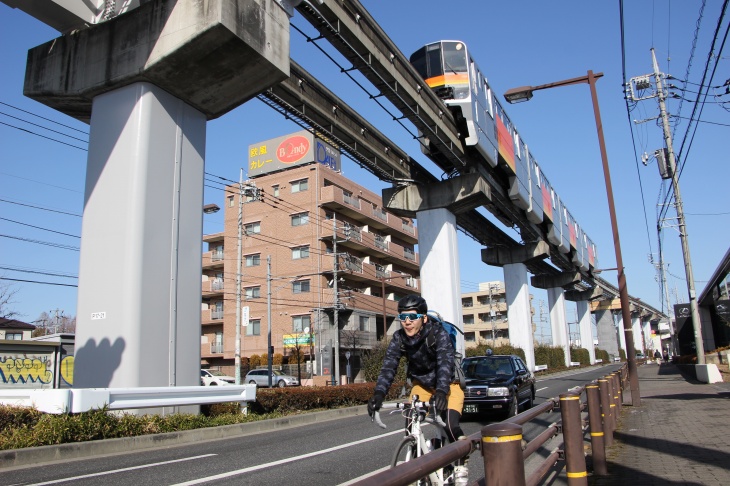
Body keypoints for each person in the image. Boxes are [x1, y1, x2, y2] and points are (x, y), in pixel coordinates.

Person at [367, 294, 468, 484]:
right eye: (402, 318)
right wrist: (379, 394)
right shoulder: (399, 338)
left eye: (412, 317)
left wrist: (441, 391)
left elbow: (445, 363)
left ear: (423, 317)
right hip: (421, 385)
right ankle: (418, 462)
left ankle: (461, 459)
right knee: (410, 423)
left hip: (448, 385)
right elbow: (389, 366)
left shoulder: (438, 334)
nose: (407, 322)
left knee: (450, 425)